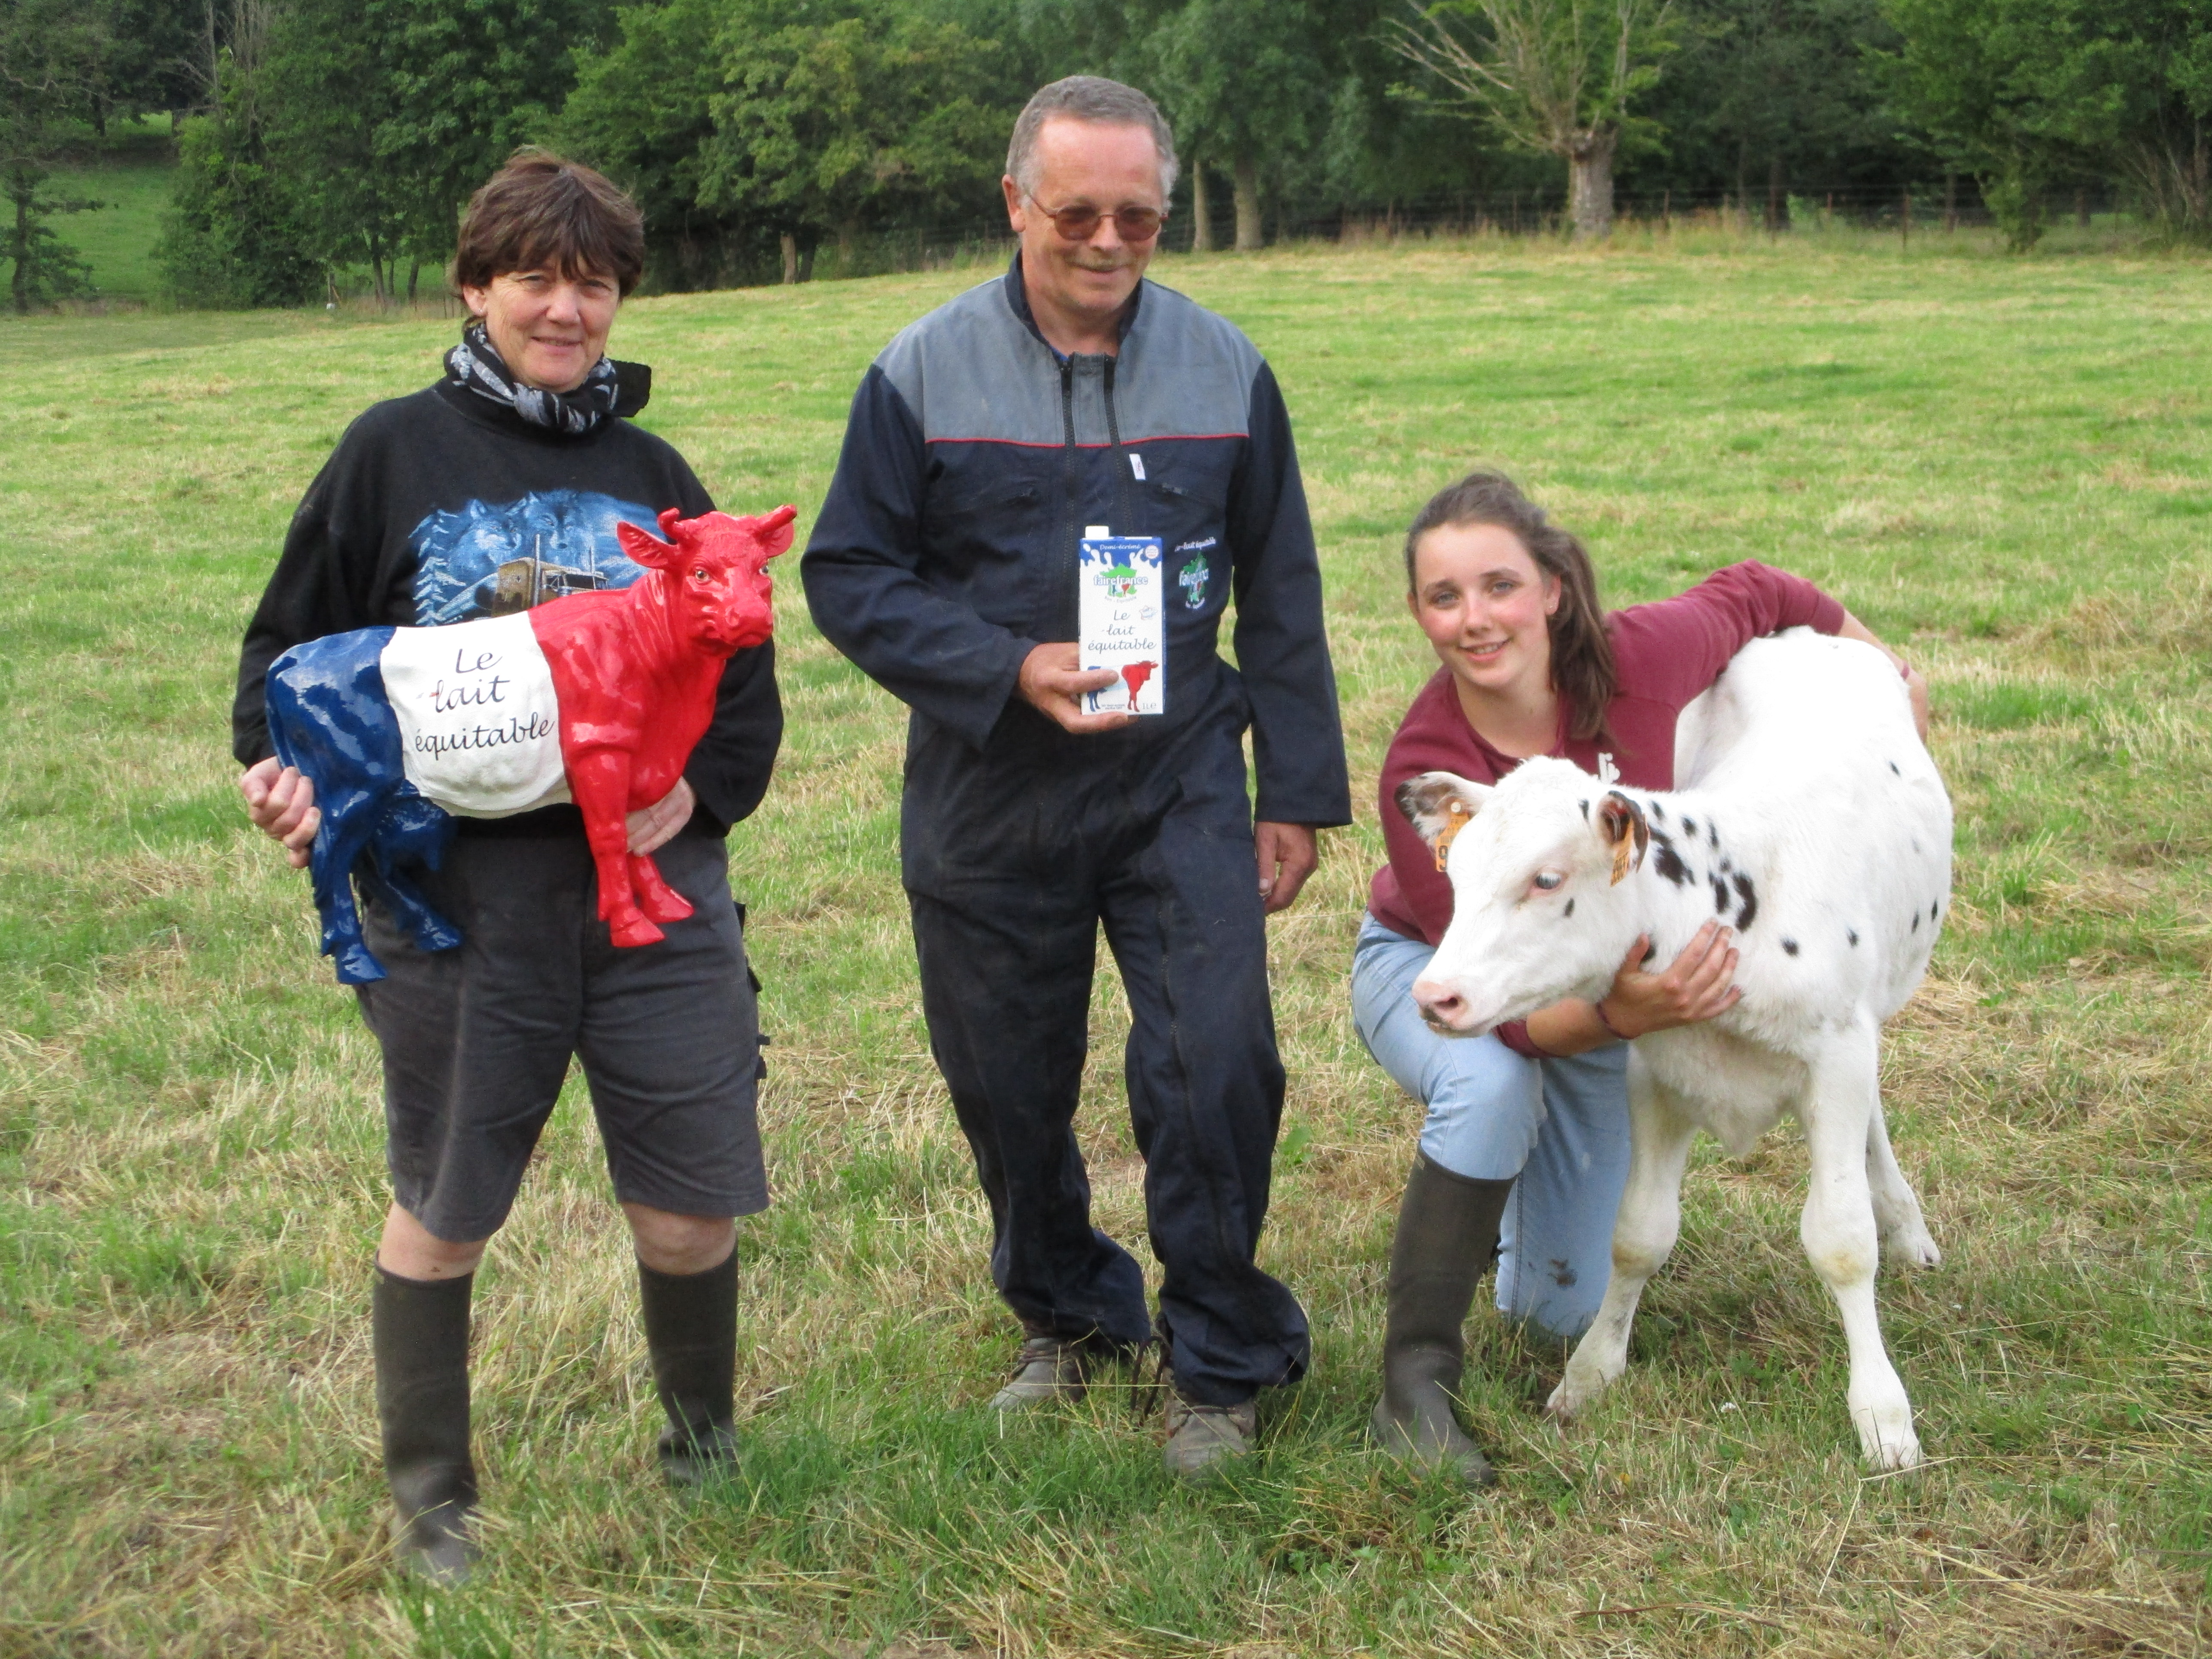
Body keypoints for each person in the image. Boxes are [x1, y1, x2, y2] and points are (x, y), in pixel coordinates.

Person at [231, 152, 781, 1582]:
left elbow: (746, 678)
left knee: (686, 1198)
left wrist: (703, 793)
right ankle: (435, 1502)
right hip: (463, 911)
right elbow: (285, 656)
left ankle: (702, 1444)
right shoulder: (390, 453)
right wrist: (284, 774)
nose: (566, 306)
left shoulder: (655, 476)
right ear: (477, 287)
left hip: (653, 902)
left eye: (593, 279)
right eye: (536, 275)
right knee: (449, 1197)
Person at [801, 76, 1350, 1479]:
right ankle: (1068, 1313)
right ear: (1014, 205)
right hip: (991, 786)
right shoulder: (919, 372)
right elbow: (849, 575)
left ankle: (1222, 1357)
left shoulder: (1227, 369)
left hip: (1176, 776)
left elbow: (1280, 591)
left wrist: (1295, 787)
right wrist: (999, 666)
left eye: (1140, 216)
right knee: (1004, 1082)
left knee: (1216, 1061)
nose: (1109, 241)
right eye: (1078, 213)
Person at [1355, 470, 1928, 1487]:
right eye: (1444, 598)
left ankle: (1536, 1197)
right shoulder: (1432, 761)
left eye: (1499, 586)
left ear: (1551, 592)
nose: (1475, 619)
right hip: (1470, 978)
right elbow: (1502, 1005)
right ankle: (1416, 1377)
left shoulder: (1638, 664)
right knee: (1491, 1083)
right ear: (1416, 615)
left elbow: (1759, 590)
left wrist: (1884, 673)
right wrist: (1626, 1013)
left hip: (1625, 978)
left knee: (1552, 1309)